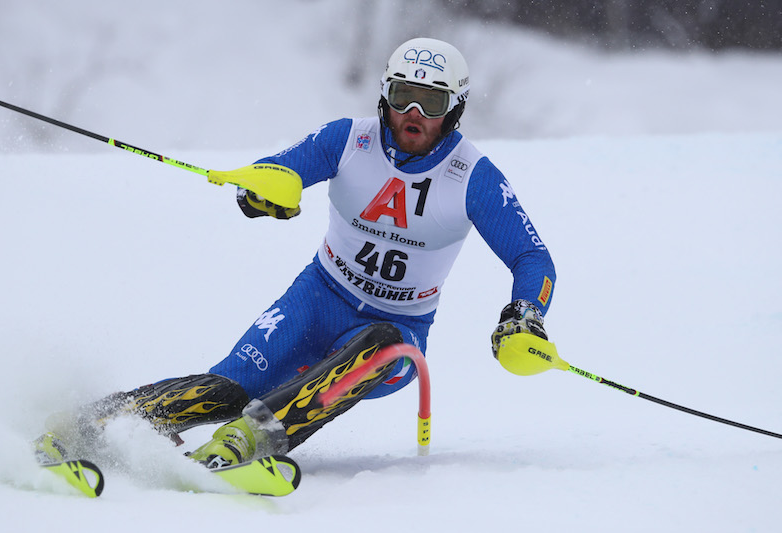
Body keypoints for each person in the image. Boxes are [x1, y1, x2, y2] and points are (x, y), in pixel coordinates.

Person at [36, 37, 556, 468]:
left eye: (431, 103)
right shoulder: (347, 140)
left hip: (398, 331)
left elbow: (533, 257)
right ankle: (88, 425)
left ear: (456, 110)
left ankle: (247, 444)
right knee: (227, 390)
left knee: (381, 342)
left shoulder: (473, 176)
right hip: (316, 299)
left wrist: (526, 311)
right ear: (384, 95)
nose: (412, 113)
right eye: (402, 95)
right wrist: (260, 195)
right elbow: (275, 172)